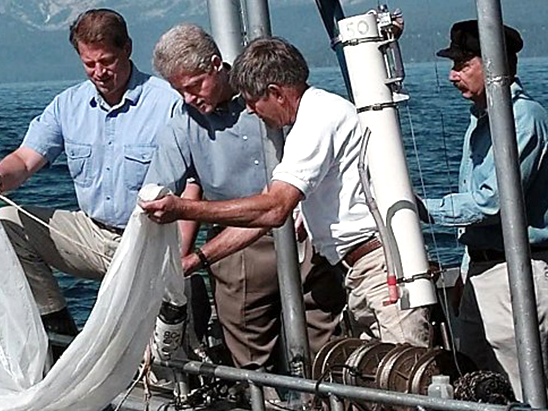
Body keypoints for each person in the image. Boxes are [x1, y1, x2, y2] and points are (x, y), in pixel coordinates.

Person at [140, 35, 431, 346]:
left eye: (253, 102)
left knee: (405, 377)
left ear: (276, 93)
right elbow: (269, 213)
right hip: (360, 270)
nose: (251, 112)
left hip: (380, 269)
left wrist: (182, 209)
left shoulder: (315, 120)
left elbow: (274, 208)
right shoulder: (312, 119)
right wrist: (195, 261)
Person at [144, 24, 345, 370]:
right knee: (249, 350)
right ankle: (264, 410)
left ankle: (327, 408)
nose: (190, 99)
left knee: (323, 333)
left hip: (303, 230)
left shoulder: (268, 93)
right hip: (234, 246)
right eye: (180, 91)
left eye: (194, 87)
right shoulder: (183, 122)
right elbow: (159, 186)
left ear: (215, 64)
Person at [0, 8, 180, 335]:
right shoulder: (68, 105)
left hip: (150, 239)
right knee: (6, 223)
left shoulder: (167, 102)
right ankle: (58, 330)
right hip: (92, 234)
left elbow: (192, 183)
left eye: (107, 62)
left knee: (157, 351)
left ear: (127, 49)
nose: (99, 72)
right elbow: (25, 158)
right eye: (89, 64)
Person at [422, 19, 548, 400]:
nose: (452, 75)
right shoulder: (482, 120)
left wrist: (422, 209)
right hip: (483, 270)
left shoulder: (522, 118)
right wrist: (466, 270)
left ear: (491, 64)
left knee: (524, 384)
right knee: (475, 375)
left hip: (516, 271)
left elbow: (493, 200)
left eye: (462, 64)